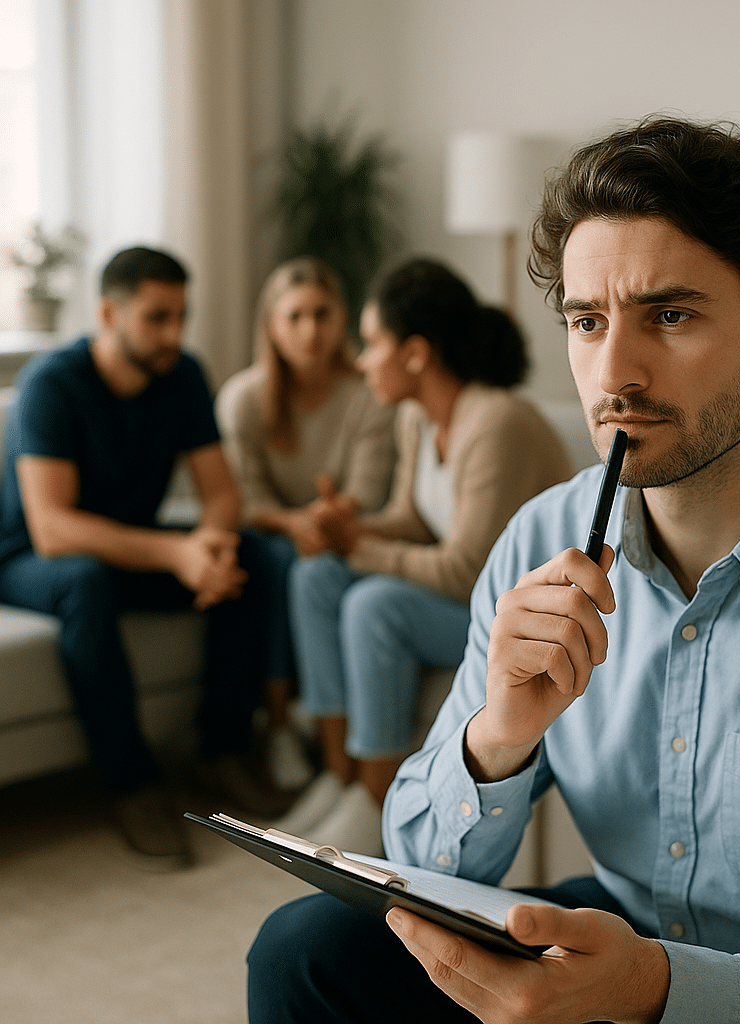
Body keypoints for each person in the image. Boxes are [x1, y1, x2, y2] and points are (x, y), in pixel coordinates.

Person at [246, 118, 740, 1023]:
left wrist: (655, 989)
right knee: (305, 953)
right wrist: (496, 739)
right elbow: (421, 871)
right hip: (617, 930)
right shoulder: (541, 536)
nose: (613, 372)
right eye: (587, 321)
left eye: (672, 314)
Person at [0, 246, 289, 873]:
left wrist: (209, 550)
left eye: (180, 316)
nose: (173, 334)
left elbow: (221, 494)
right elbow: (52, 529)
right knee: (84, 582)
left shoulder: (182, 375)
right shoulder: (51, 383)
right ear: (110, 312)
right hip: (28, 559)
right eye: (157, 317)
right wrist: (177, 552)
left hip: (126, 547)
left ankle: (224, 750)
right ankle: (132, 784)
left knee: (255, 558)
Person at [272, 257, 573, 855]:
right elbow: (413, 521)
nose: (361, 360)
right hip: (462, 594)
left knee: (374, 604)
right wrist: (349, 531)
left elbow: (465, 571)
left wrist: (362, 547)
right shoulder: (416, 416)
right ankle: (340, 777)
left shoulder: (496, 422)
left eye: (372, 342)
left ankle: (380, 804)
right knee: (316, 576)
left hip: (513, 617)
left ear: (415, 353)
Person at [216, 257, 396, 791]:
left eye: (322, 314)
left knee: (309, 568)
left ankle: (324, 741)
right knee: (274, 561)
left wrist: (328, 517)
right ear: (271, 325)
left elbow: (368, 489)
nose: (310, 331)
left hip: (340, 532)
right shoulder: (243, 398)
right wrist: (294, 522)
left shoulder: (368, 391)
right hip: (273, 536)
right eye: (294, 317)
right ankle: (277, 725)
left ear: (342, 319)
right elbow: (242, 497)